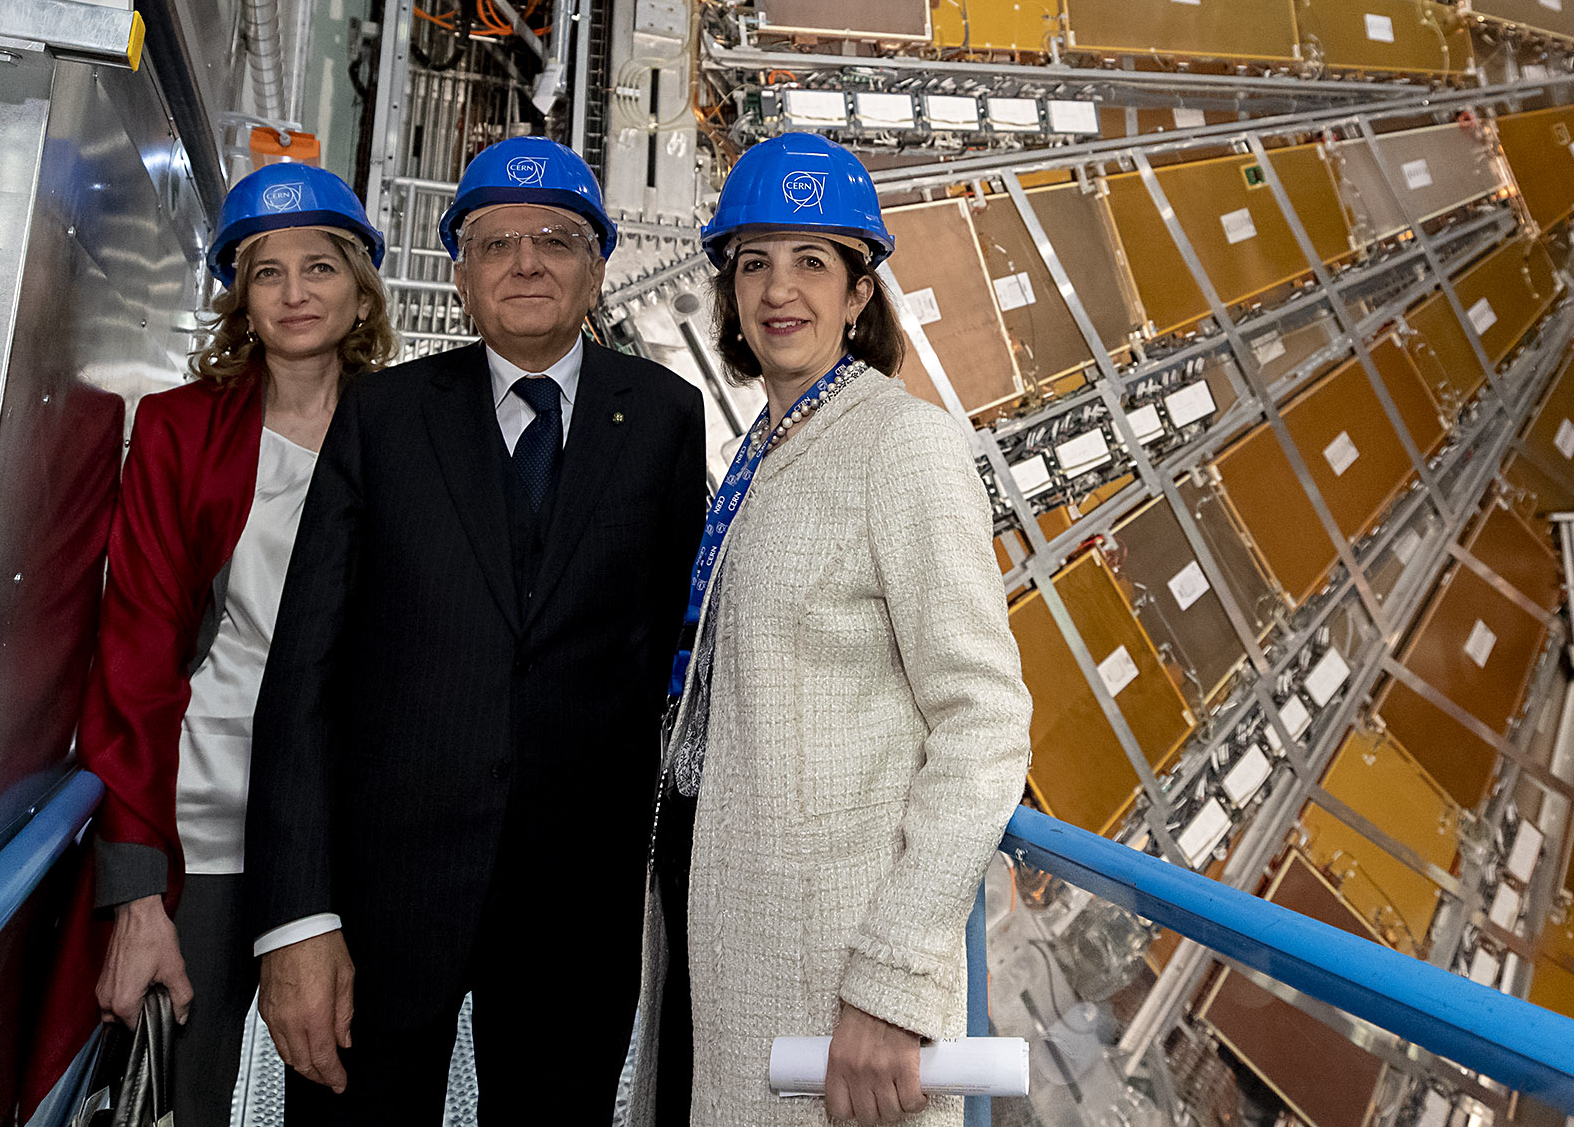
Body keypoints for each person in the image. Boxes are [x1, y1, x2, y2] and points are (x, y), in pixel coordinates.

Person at [246, 135, 707, 1124]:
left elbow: (679, 632)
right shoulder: (384, 415)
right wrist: (296, 917)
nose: (526, 261)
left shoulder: (665, 418)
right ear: (458, 272)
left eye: (554, 238)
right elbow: (304, 671)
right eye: (495, 243)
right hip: (378, 915)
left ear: (597, 263)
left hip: (572, 922)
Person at [625, 132, 1033, 1127]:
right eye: (753, 260)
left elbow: (983, 724)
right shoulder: (768, 449)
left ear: (859, 293)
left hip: (830, 971)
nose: (779, 288)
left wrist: (889, 983)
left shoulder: (904, 444)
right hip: (719, 931)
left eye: (813, 260)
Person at [78, 163, 395, 1127]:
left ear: (359, 288)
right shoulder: (180, 432)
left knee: (345, 1083)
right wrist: (134, 890)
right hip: (204, 814)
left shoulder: (409, 432)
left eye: (320, 267)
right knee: (182, 1087)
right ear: (240, 297)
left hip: (348, 825)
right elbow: (132, 652)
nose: (296, 293)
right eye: (268, 272)